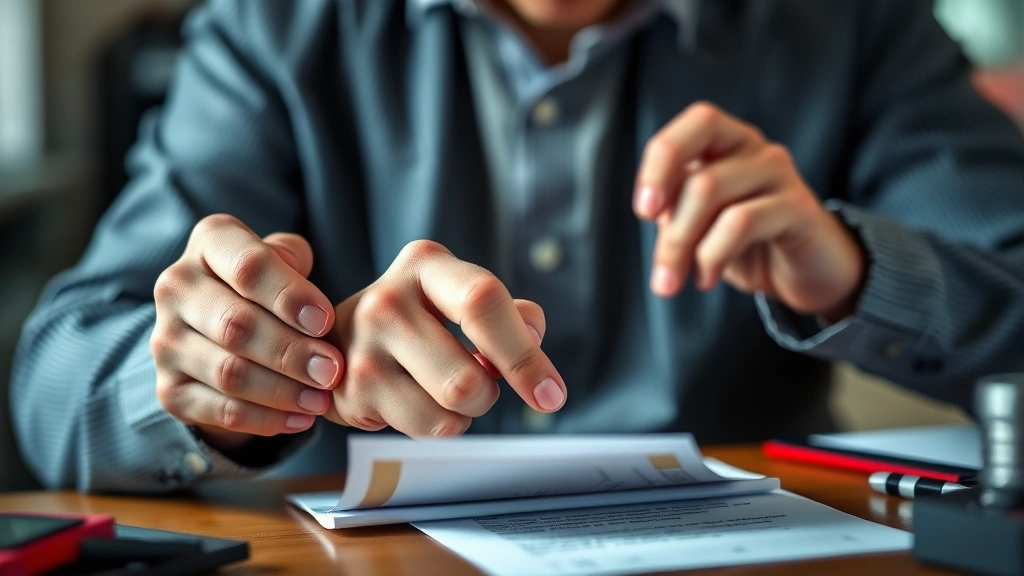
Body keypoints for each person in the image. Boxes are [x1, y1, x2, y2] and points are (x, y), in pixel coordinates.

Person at [11, 0, 1024, 492]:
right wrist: (245, 382)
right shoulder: (274, 26)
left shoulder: (848, 25)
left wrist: (852, 273)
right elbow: (59, 382)